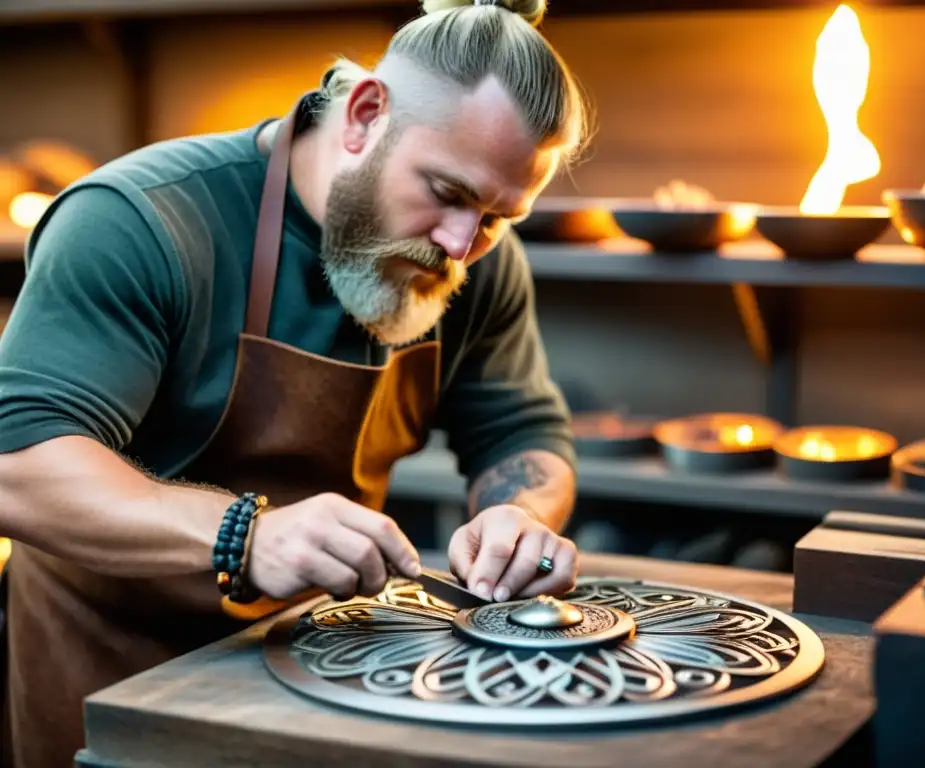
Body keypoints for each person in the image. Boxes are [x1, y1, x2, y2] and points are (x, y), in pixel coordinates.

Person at [0, 0, 592, 764]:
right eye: (447, 192)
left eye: (498, 217)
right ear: (366, 113)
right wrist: (244, 534)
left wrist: (520, 519)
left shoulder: (471, 257)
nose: (460, 244)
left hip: (319, 677)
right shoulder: (141, 220)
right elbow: (15, 466)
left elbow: (521, 432)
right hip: (106, 680)